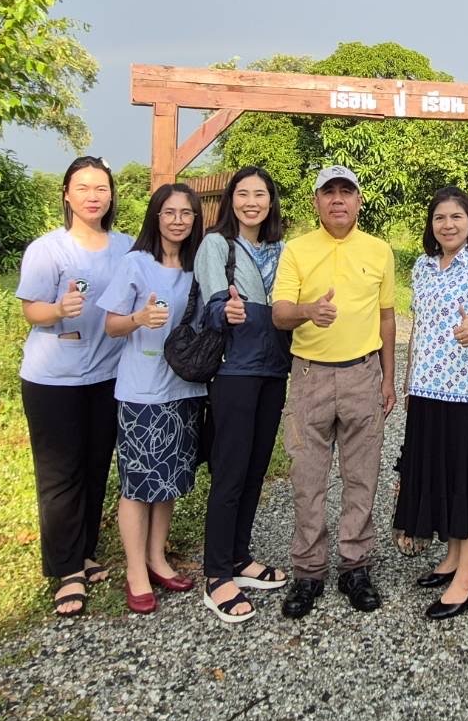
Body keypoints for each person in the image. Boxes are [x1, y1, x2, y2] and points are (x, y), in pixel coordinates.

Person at [271, 165, 396, 618]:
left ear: (360, 201)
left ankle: (355, 565)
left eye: (347, 192)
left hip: (363, 373)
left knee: (362, 475)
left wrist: (387, 377)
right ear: (316, 202)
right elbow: (280, 313)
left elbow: (386, 316)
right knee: (308, 479)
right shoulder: (297, 250)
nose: (338, 200)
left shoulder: (379, 251)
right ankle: (308, 571)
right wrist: (309, 310)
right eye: (329, 193)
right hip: (310, 378)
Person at [15, 156, 132, 617]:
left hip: (107, 376)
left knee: (95, 466)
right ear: (66, 194)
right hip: (53, 379)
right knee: (59, 474)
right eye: (82, 187)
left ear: (110, 195)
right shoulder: (48, 249)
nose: (92, 195)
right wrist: (59, 309)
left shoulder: (125, 246)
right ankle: (65, 570)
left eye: (100, 187)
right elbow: (31, 311)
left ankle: (83, 551)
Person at [394, 187, 468, 620]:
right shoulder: (422, 267)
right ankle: (452, 558)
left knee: (465, 480)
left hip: (464, 392)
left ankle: (467, 578)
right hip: (425, 389)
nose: (448, 224)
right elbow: (419, 327)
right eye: (440, 217)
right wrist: (406, 380)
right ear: (431, 225)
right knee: (437, 476)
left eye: (456, 216)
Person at [98, 184, 207, 616]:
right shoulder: (135, 264)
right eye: (170, 212)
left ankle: (157, 558)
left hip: (185, 387)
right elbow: (110, 325)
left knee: (169, 481)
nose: (178, 220)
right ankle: (135, 571)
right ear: (156, 216)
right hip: (142, 390)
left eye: (187, 214)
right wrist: (139, 318)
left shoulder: (198, 267)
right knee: (138, 484)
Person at [194, 166, 293, 624]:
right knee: (231, 470)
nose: (252, 201)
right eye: (243, 193)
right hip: (235, 371)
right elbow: (214, 305)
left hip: (274, 369)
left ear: (271, 202)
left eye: (261, 194)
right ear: (231, 200)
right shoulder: (217, 245)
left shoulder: (280, 250)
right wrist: (228, 309)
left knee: (256, 467)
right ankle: (217, 575)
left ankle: (240, 557)